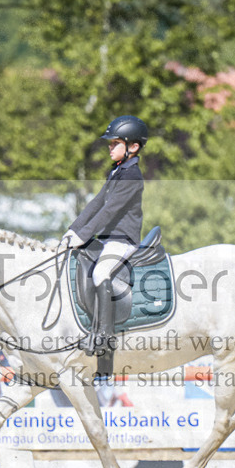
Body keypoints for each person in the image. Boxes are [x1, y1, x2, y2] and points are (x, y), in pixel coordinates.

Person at [60, 115, 148, 378]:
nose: (109, 148)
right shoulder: (117, 171)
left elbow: (109, 212)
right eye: (109, 143)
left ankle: (104, 337)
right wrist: (73, 231)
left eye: (115, 143)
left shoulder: (132, 175)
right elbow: (96, 204)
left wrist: (84, 234)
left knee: (100, 273)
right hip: (108, 239)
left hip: (123, 240)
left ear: (133, 147)